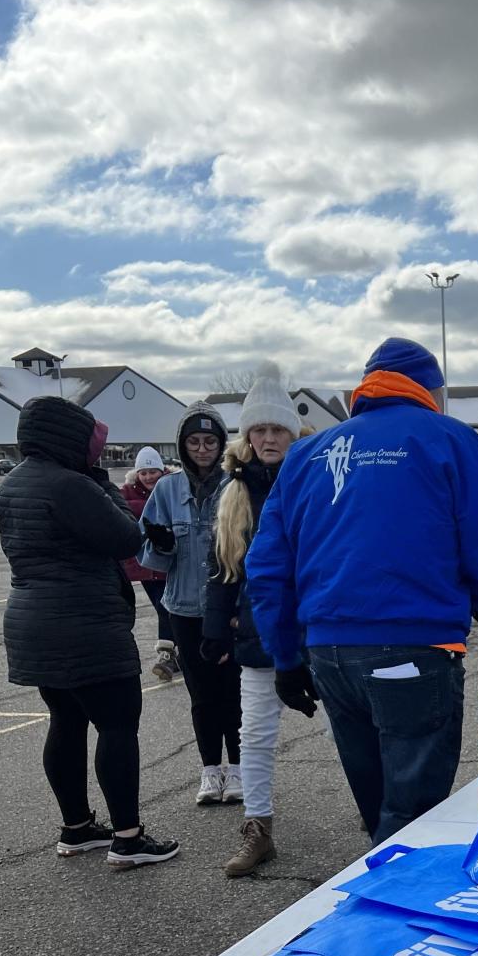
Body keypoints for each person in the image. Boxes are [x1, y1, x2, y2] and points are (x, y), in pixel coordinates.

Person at [246, 337, 478, 845]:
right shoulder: (450, 440)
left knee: (378, 806)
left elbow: (267, 566)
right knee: (414, 818)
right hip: (413, 645)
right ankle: (398, 908)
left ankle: (380, 889)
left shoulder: (306, 453)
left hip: (328, 652)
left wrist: (285, 657)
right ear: (430, 389)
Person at [0, 398, 179, 868]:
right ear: (69, 440)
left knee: (66, 721)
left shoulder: (9, 486)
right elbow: (126, 537)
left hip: (30, 620)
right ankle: (128, 838)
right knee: (117, 725)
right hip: (83, 623)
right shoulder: (72, 485)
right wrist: (101, 484)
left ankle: (76, 827)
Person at [203, 366, 310, 878]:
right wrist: (214, 628)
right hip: (259, 632)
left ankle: (376, 813)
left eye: (278, 429)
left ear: (293, 432)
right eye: (260, 430)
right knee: (256, 735)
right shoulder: (234, 494)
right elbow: (221, 571)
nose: (269, 438)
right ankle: (257, 827)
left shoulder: (314, 480)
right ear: (248, 437)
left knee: (355, 726)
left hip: (318, 629)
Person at [140, 403, 243, 805]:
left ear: (221, 445)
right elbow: (149, 554)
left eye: (210, 441)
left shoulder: (235, 486)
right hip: (183, 607)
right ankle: (209, 770)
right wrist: (160, 544)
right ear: (183, 447)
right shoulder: (166, 490)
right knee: (201, 695)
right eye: (194, 442)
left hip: (227, 607)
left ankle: (237, 768)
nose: (203, 449)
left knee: (232, 691)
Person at [120, 446, 179, 682]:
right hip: (145, 566)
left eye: (152, 471)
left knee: (168, 608)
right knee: (162, 607)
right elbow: (121, 511)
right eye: (143, 473)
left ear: (160, 470)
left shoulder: (172, 486)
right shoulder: (127, 492)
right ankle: (176, 652)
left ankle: (168, 655)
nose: (148, 477)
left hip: (169, 563)